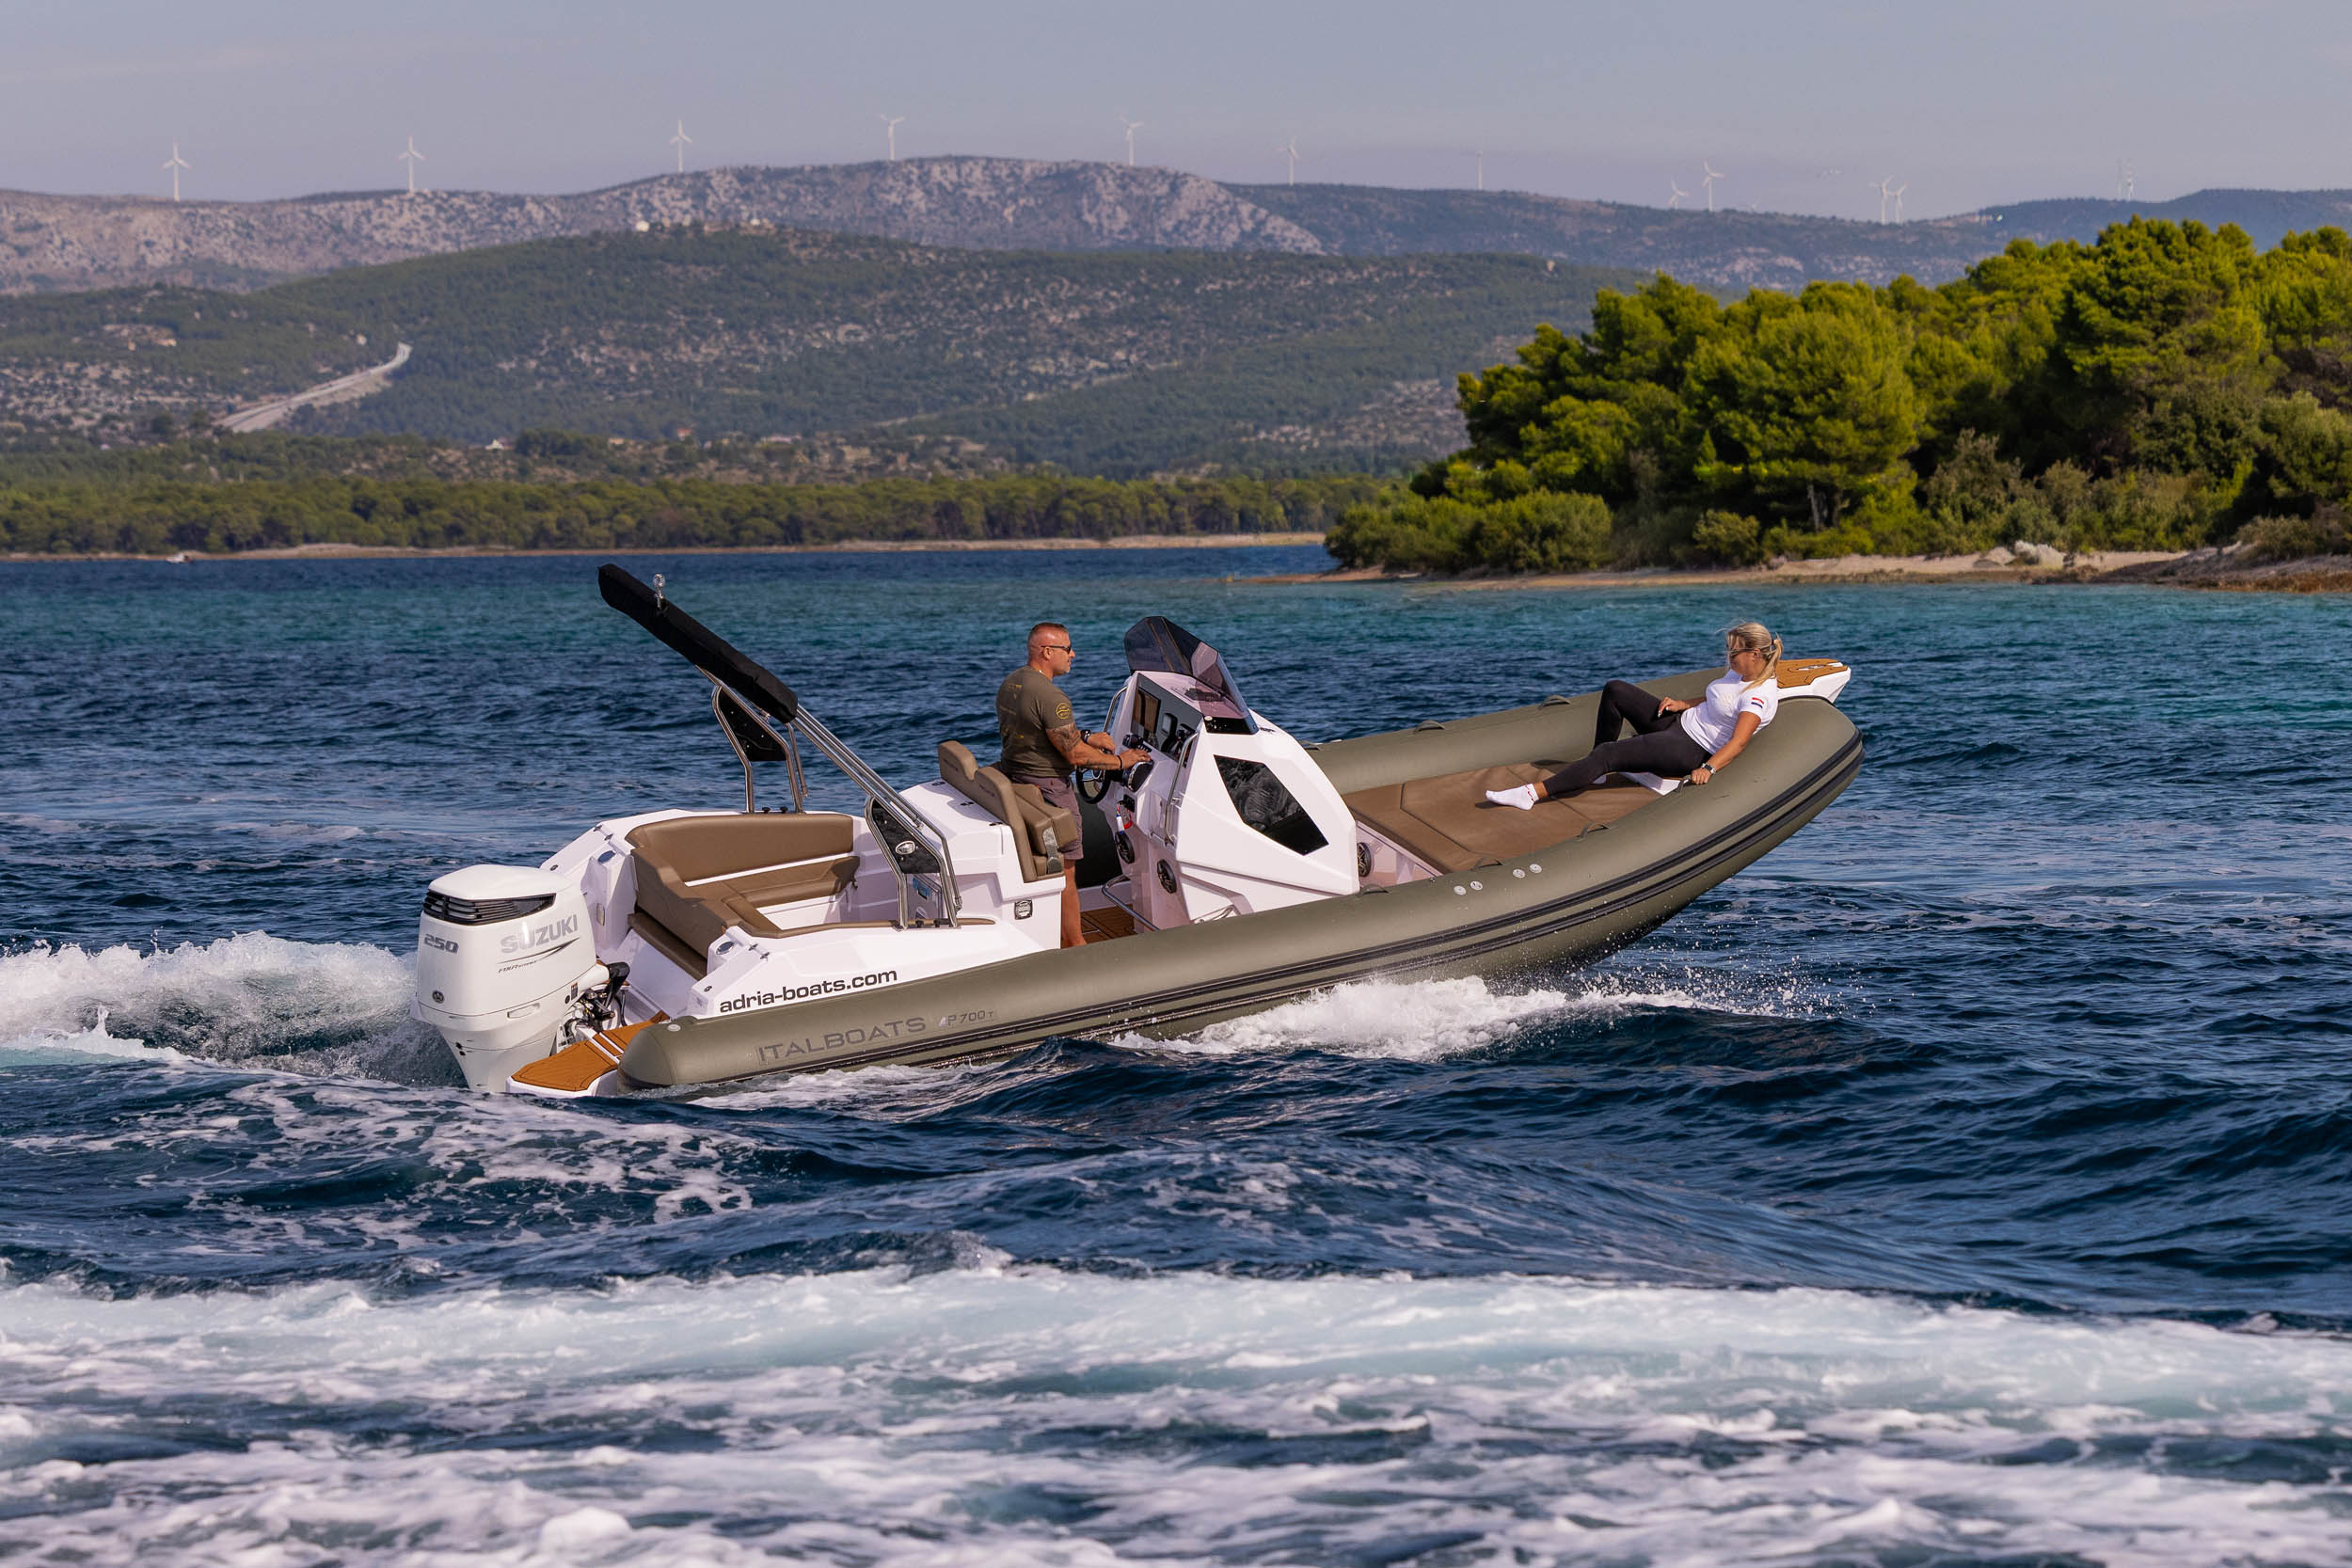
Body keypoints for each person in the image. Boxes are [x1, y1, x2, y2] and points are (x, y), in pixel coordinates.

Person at [1486, 622, 1785, 809]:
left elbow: (1740, 740)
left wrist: (1709, 768)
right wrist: (1684, 703)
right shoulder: (1741, 674)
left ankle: (1532, 794)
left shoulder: (1758, 695)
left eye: (1734, 652)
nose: (1728, 657)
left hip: (1690, 748)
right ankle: (1596, 771)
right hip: (1680, 723)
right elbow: (1719, 699)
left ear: (1755, 655)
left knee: (1608, 753)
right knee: (1616, 690)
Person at [998, 622, 1149, 947]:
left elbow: (1038, 732)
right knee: (1067, 871)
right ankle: (1076, 942)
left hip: (1019, 778)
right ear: (1047, 652)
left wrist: (1086, 736)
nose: (1073, 654)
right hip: (1050, 789)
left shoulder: (1013, 683)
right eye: (1067, 649)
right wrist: (1122, 761)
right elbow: (1076, 756)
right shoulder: (1052, 696)